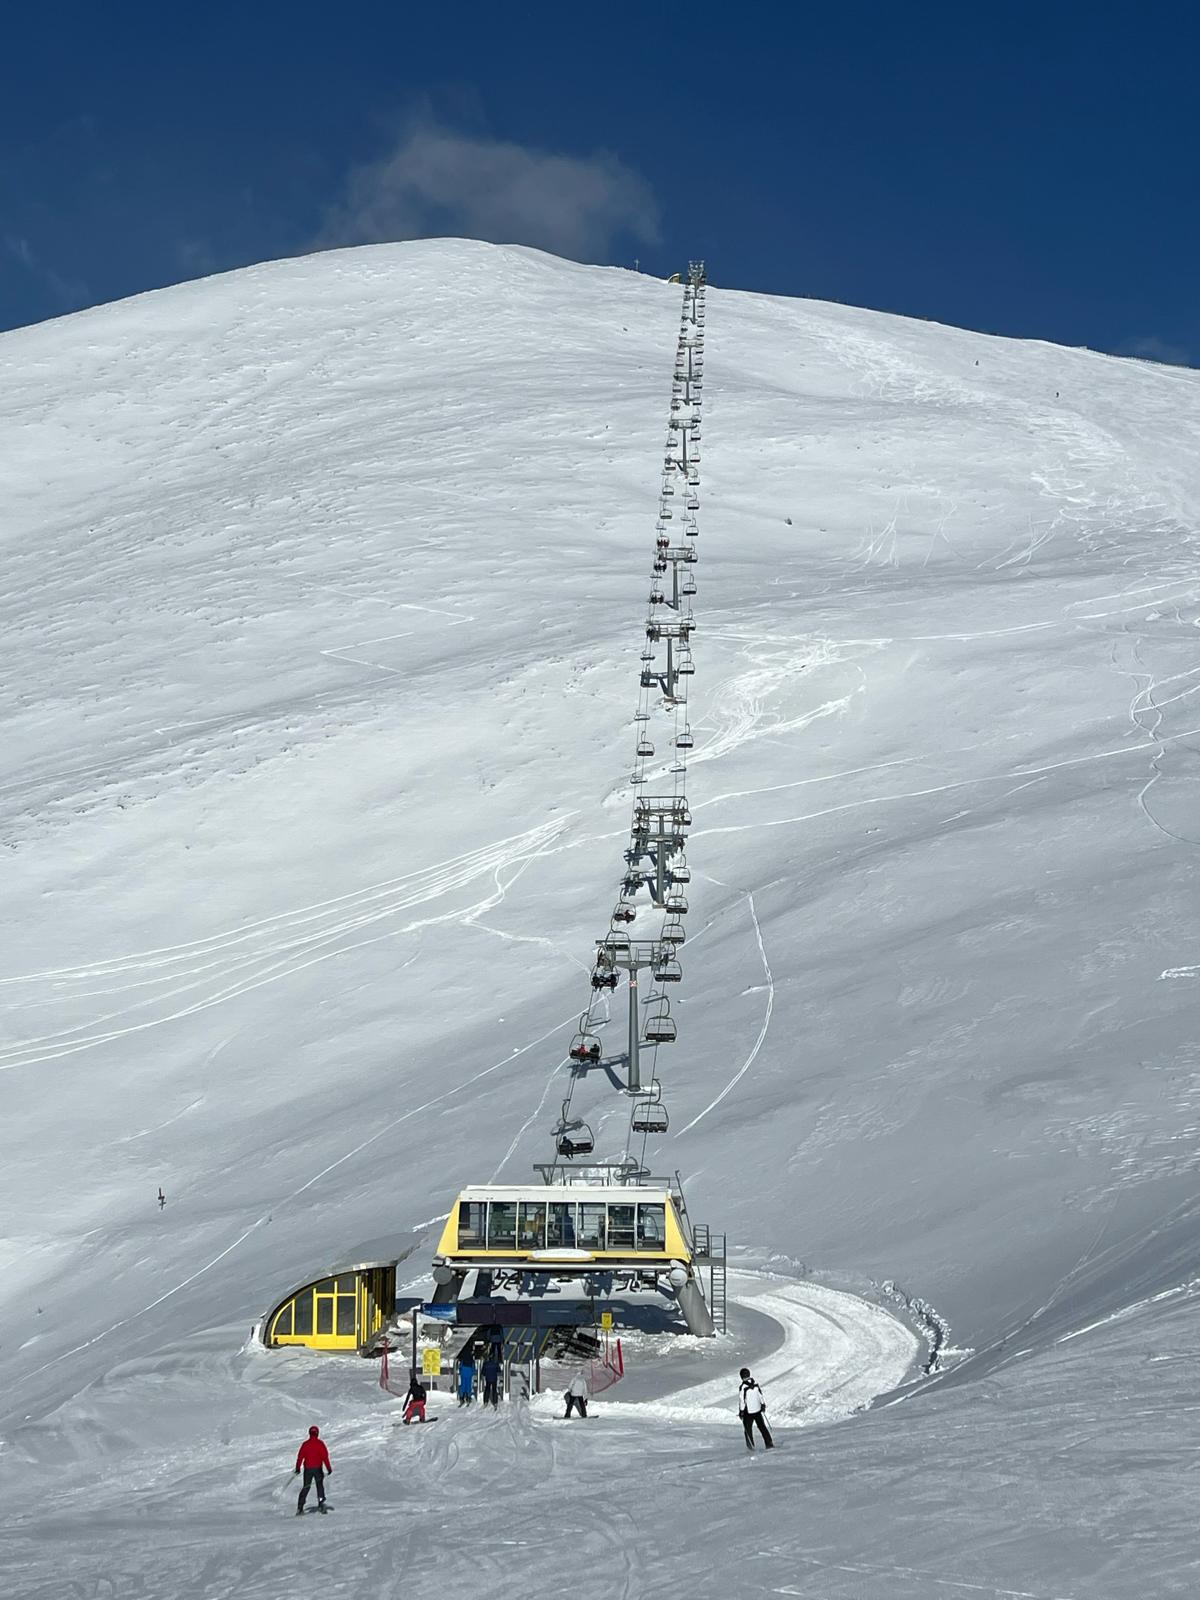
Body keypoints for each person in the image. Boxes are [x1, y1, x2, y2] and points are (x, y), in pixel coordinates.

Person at [294, 1425, 332, 1513]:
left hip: (308, 1470)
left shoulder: (305, 1444)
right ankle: (321, 1503)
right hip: (318, 1469)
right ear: (317, 1433)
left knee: (306, 1487)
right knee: (319, 1486)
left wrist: (297, 1468)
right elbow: (325, 1457)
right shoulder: (320, 1444)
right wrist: (329, 1468)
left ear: (309, 1433)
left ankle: (300, 1507)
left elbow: (300, 1457)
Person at [738, 1367, 773, 1451]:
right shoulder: (756, 1384)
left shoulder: (743, 1387)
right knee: (762, 1427)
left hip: (748, 1412)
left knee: (748, 1429)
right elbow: (760, 1395)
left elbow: (742, 1400)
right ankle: (769, 1443)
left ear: (741, 1376)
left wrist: (741, 1411)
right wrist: (763, 1404)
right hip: (757, 1410)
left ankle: (750, 1447)